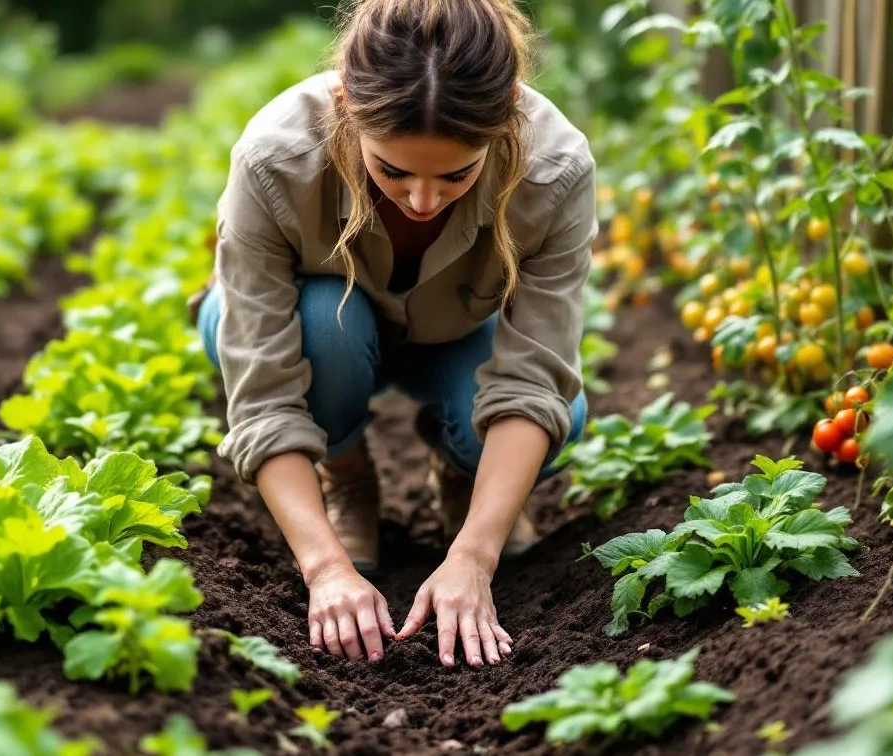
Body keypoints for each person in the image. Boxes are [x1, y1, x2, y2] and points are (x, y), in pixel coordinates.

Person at [193, 0, 596, 669]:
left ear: (502, 130)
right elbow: (265, 398)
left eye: (457, 176)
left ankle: (462, 479)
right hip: (318, 330)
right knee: (329, 322)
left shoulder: (554, 169)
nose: (422, 201)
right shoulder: (277, 158)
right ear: (348, 106)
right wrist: (324, 569)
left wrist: (474, 557)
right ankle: (345, 475)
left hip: (450, 332)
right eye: (394, 171)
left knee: (564, 416)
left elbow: (533, 379)